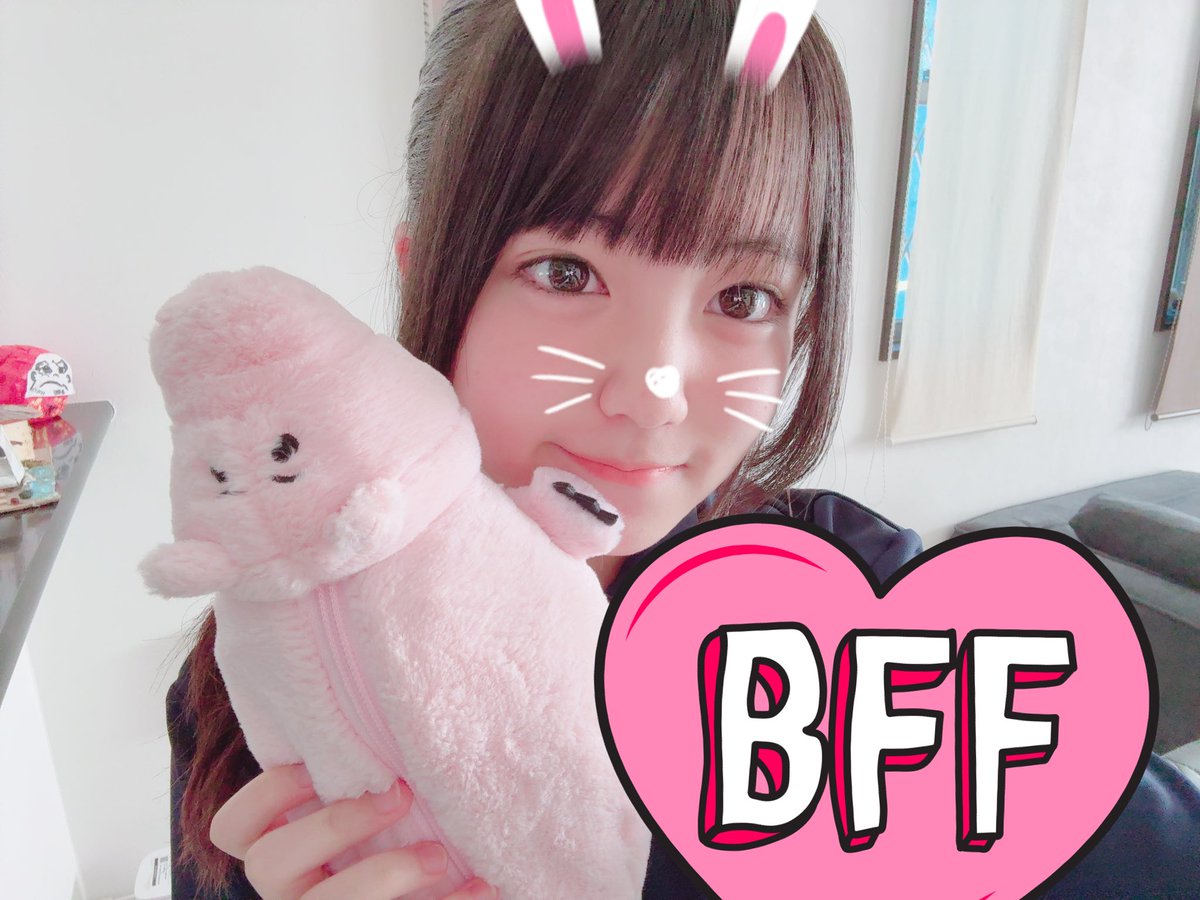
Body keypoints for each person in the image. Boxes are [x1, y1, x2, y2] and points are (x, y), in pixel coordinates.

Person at [166, 1, 1200, 897]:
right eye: (565, 273)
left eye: (742, 298)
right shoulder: (262, 678)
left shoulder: (855, 619)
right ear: (424, 271)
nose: (650, 397)